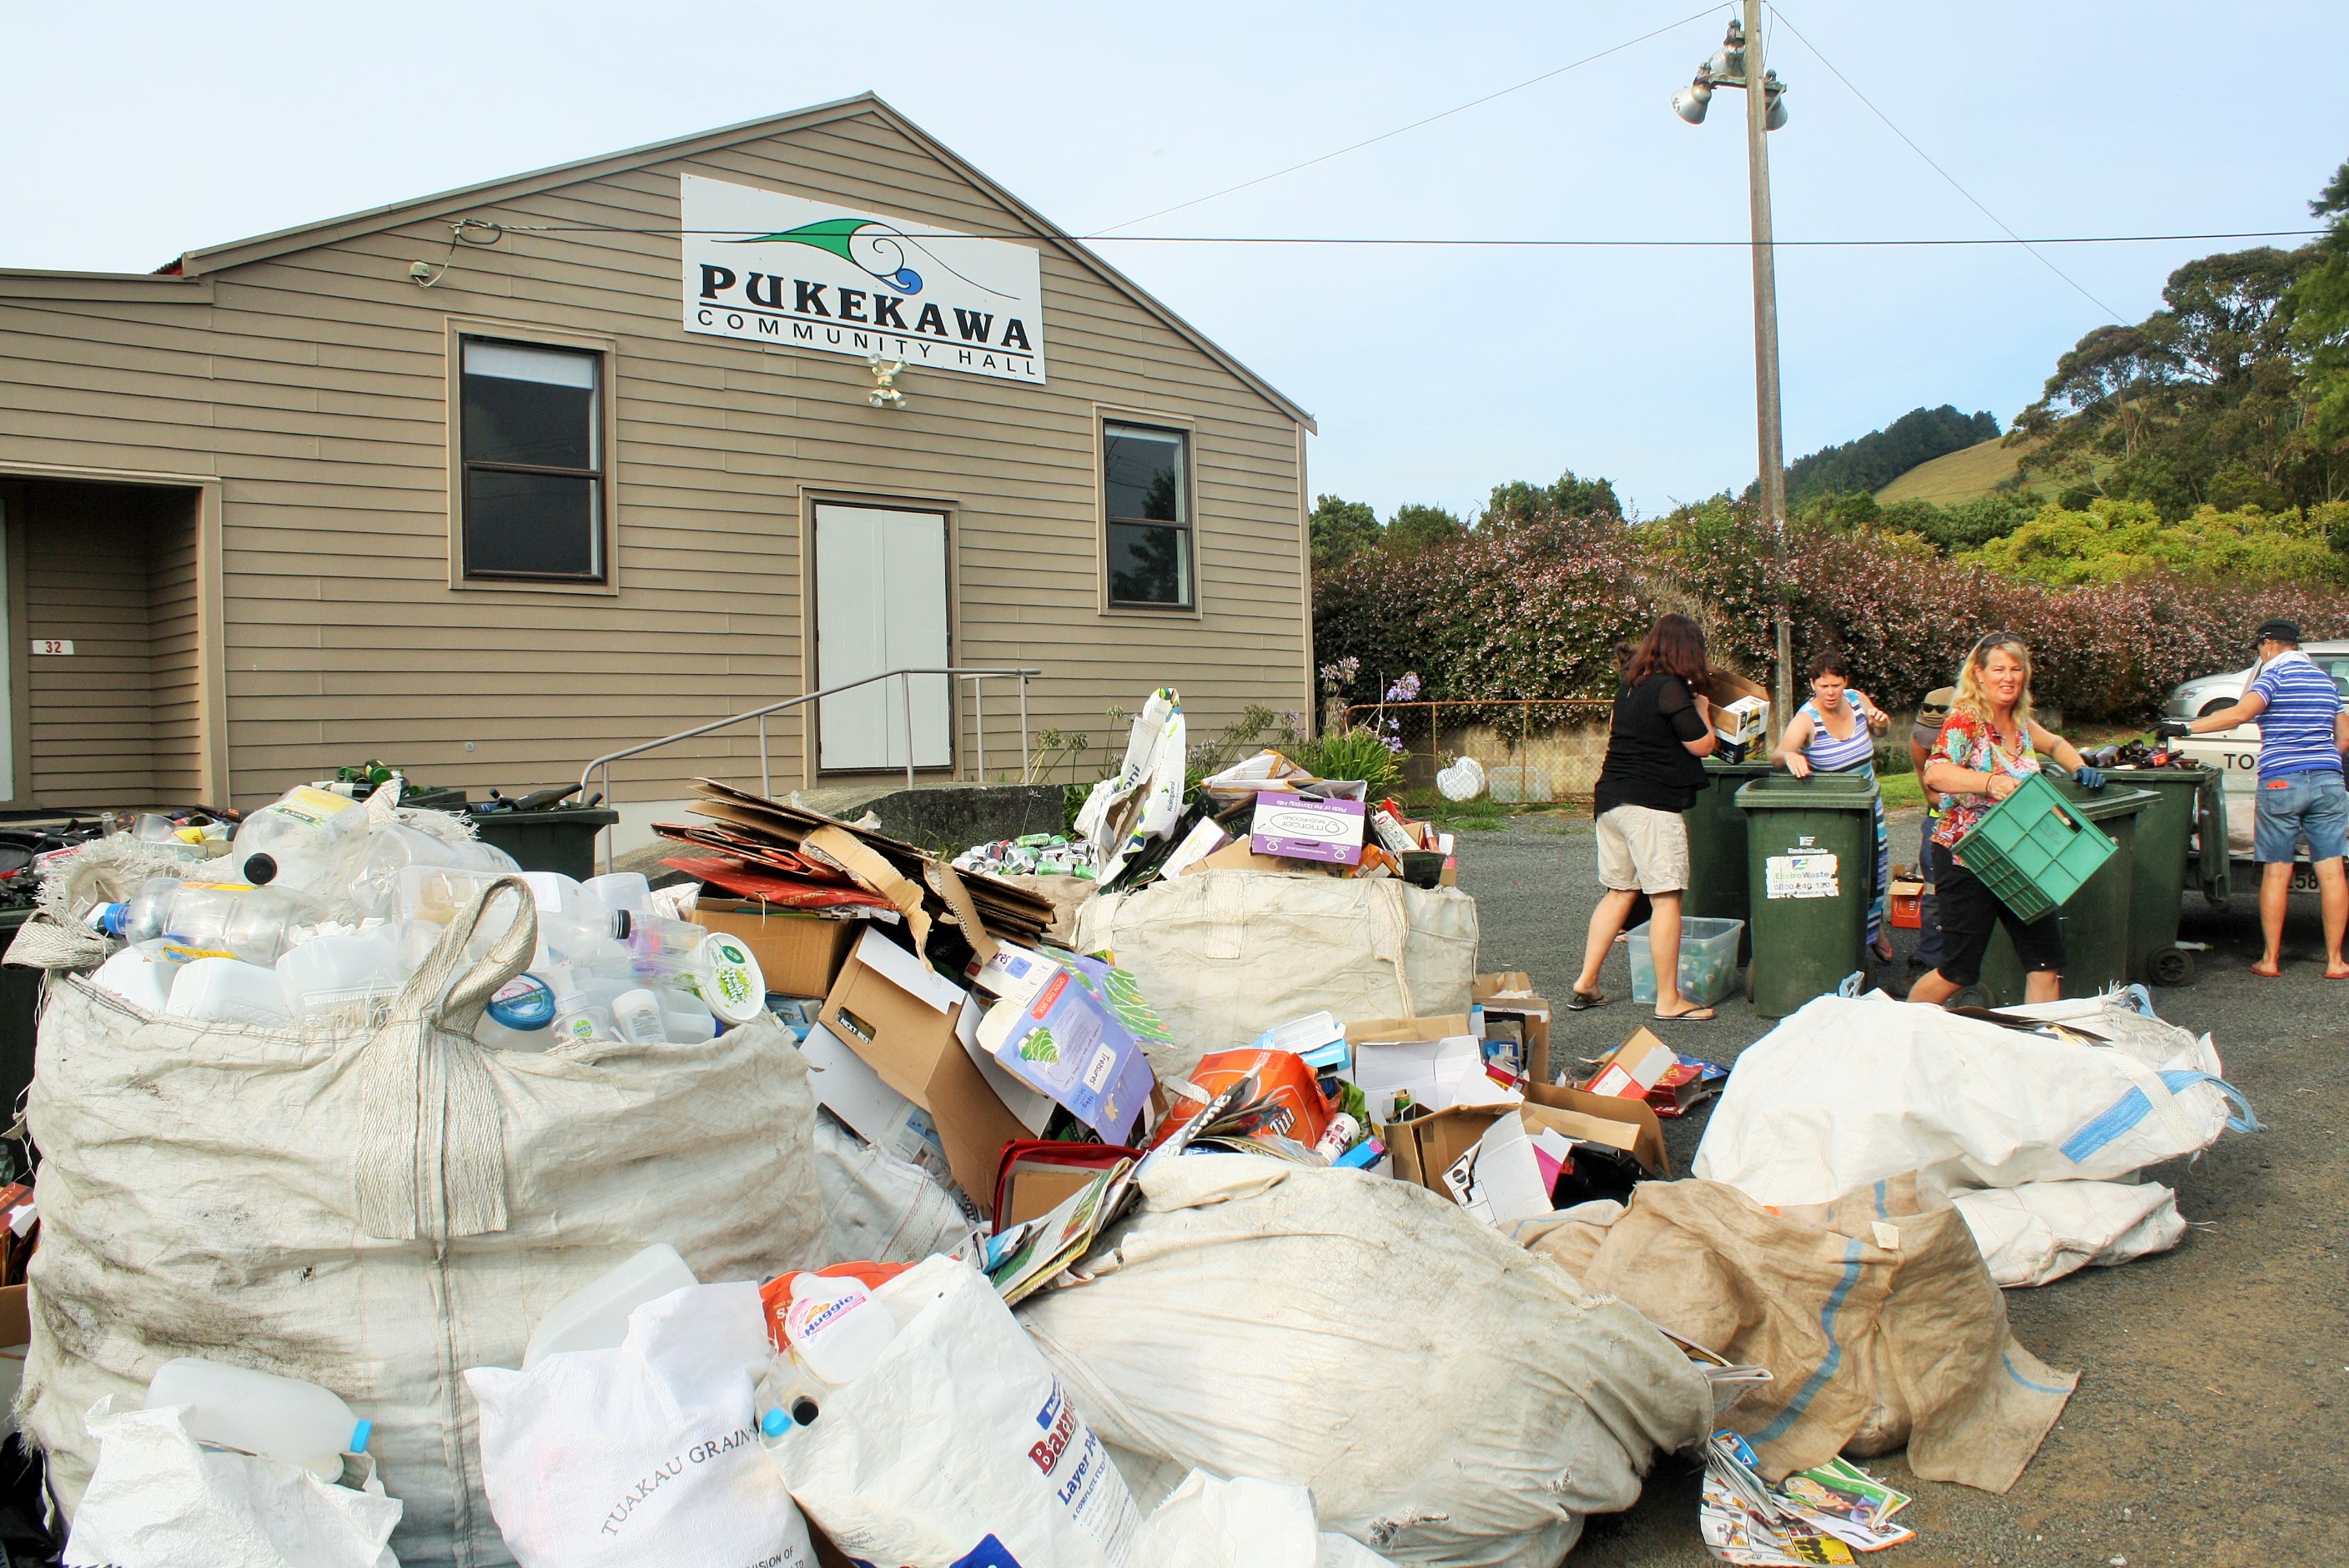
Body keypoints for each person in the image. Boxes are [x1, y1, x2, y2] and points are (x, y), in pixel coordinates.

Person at [1908, 632, 2107, 1007]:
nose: (2008, 677)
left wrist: (2080, 768)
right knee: (1959, 971)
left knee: (2045, 961)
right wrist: (1989, 782)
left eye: (2016, 669)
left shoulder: (2020, 720)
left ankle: (2042, 1047)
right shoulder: (1966, 720)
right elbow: (1935, 774)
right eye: (1998, 669)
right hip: (1968, 858)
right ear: (1979, 674)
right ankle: (1900, 1031)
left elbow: (2056, 744)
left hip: (2020, 856)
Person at [2159, 617, 2349, 978]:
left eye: (2260, 648)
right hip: (2329, 781)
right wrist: (2325, 763)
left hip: (2282, 782)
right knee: (2332, 870)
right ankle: (2336, 962)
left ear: (2270, 645)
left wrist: (2185, 727)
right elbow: (2345, 736)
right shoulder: (2326, 683)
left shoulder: (2272, 677)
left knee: (2277, 871)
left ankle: (2271, 959)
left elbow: (2240, 714)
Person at [1569, 613, 1719, 1020]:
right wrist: (1702, 709)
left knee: (1620, 891)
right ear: (1687, 651)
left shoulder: (1631, 686)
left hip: (1611, 801)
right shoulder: (1670, 688)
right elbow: (1702, 745)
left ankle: (1587, 981)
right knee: (1667, 896)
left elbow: (1619, 728)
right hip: (1650, 805)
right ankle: (1668, 1000)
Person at [1773, 651, 1894, 961]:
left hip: (1869, 801)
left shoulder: (1856, 700)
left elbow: (1879, 731)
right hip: (1833, 814)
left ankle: (1874, 928)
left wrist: (1880, 724)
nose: (1830, 692)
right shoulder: (1806, 719)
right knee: (1841, 875)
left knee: (1876, 870)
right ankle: (1839, 938)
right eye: (1824, 686)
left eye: (1836, 685)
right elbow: (1778, 754)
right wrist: (1790, 756)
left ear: (1845, 683)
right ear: (1813, 684)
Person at [1907, 686, 1955, 973]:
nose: (1929, 744)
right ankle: (1929, 960)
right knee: (1935, 887)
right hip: (1941, 819)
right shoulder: (1918, 743)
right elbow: (1933, 796)